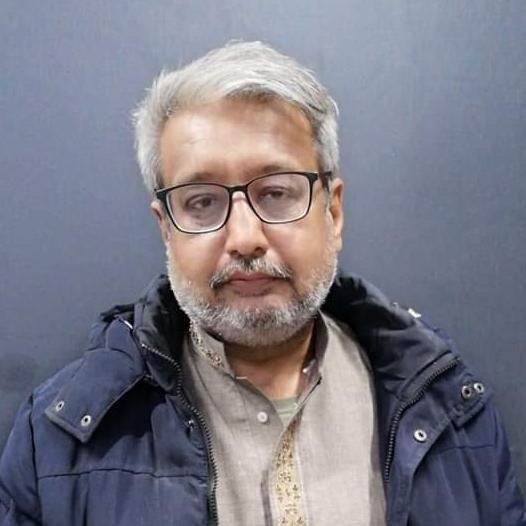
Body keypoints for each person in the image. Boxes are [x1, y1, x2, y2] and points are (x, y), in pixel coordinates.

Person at [0, 41, 524, 526]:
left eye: (276, 193)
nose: (245, 237)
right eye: (202, 201)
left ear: (333, 212)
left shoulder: (453, 412)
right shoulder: (56, 445)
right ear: (166, 229)